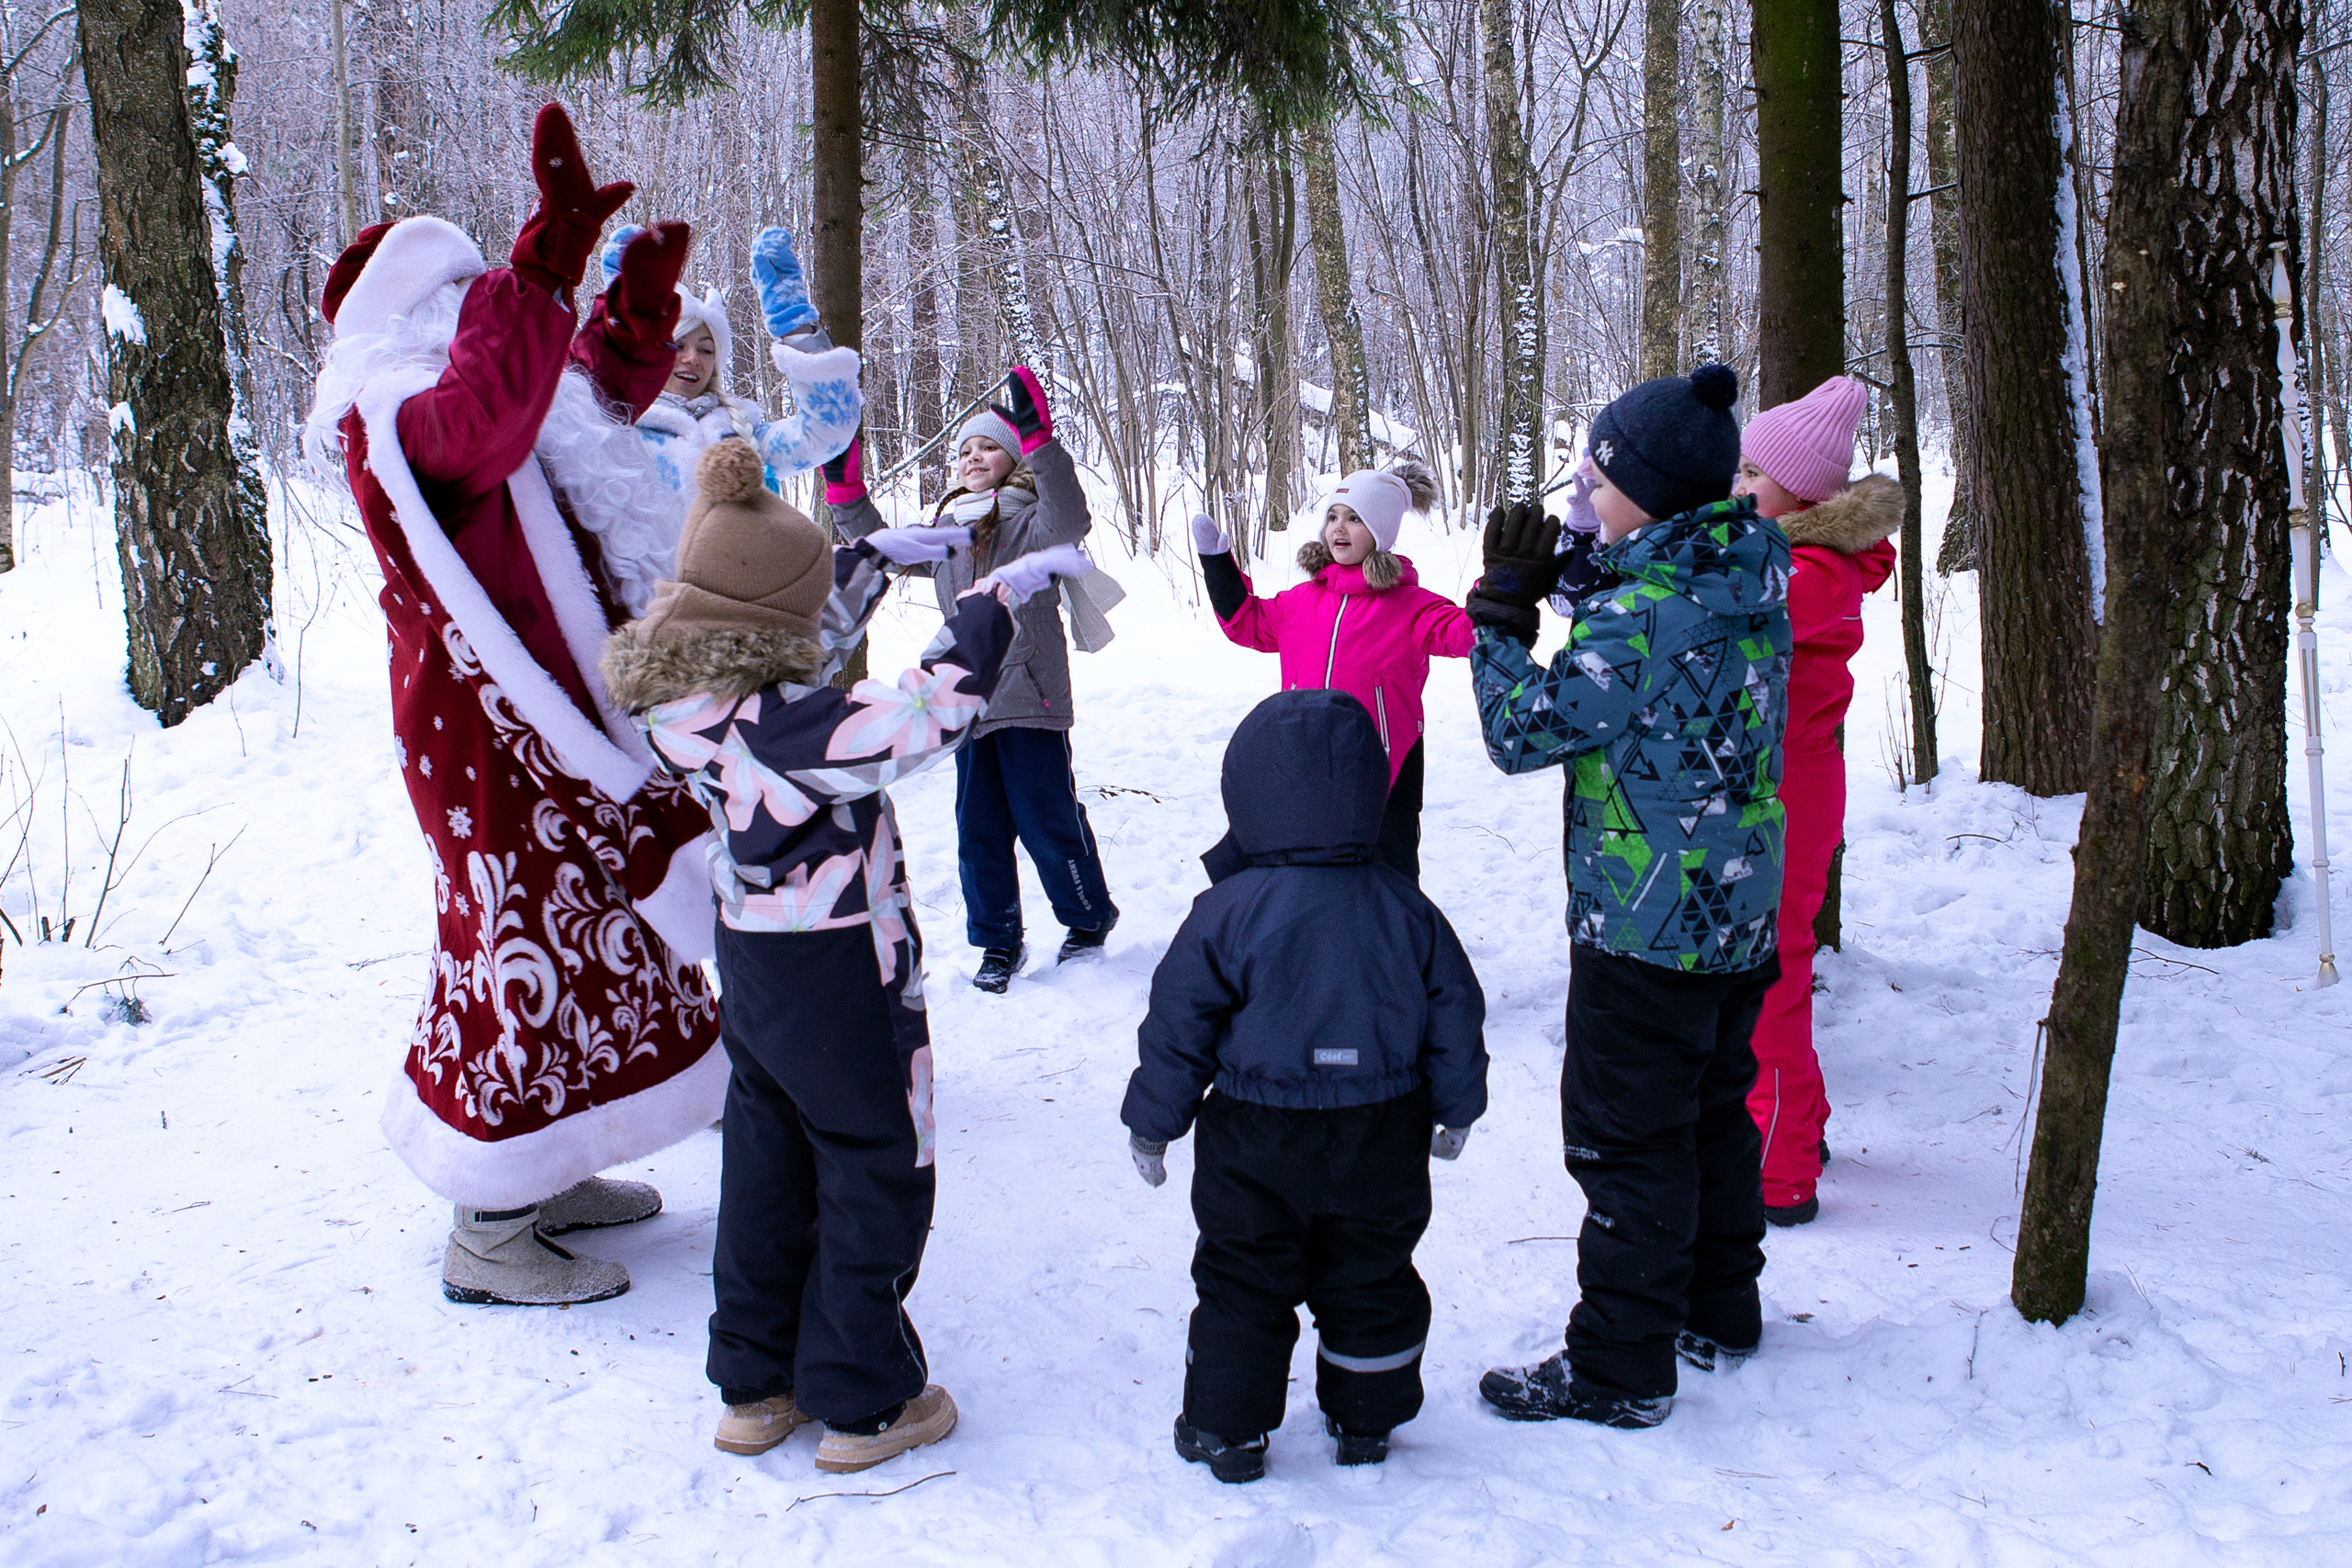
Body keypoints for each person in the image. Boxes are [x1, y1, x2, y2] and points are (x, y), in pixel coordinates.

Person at [604, 437, 1096, 1472]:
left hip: (754, 967)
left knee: (768, 1161)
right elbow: (929, 710)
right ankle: (864, 1396)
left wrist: (866, 567)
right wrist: (992, 602)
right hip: (841, 971)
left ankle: (755, 1384)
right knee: (874, 1164)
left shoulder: (680, 703)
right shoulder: (797, 732)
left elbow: (776, 649)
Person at [304, 105, 727, 1307]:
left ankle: (548, 1162)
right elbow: (493, 410)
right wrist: (541, 265)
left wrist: (630, 314)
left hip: (562, 731)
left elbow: (574, 399)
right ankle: (490, 1225)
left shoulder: (480, 402)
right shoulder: (401, 421)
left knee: (603, 936)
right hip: (491, 741)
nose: (472, 311)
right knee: (519, 952)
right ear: (405, 323)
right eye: (456, 296)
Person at [1461, 364, 1792, 1428]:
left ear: (1645, 492)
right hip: (1735, 911)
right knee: (1708, 1116)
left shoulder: (1644, 611)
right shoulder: (1740, 564)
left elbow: (1524, 732)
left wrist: (1501, 619)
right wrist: (1580, 578)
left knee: (1626, 1139)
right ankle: (1718, 1307)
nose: (1583, 497)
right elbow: (1658, 635)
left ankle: (1619, 1364)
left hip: (1644, 920)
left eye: (1597, 481)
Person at [1121, 689, 1488, 1483]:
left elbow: (1179, 1021)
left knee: (1243, 1278)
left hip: (1257, 1134)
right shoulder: (1405, 906)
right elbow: (1455, 1008)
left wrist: (1156, 1121)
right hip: (1382, 1131)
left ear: (1248, 791)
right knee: (1371, 1271)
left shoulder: (1226, 912)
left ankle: (1228, 1427)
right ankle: (1367, 1417)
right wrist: (1457, 1106)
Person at [826, 370, 1119, 993]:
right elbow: (882, 546)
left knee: (1047, 819)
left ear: (1011, 459)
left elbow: (1070, 516)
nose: (973, 457)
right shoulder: (950, 533)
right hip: (965, 703)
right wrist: (844, 489)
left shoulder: (1032, 520)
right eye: (963, 450)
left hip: (1031, 698)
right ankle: (997, 940)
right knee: (977, 829)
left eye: (987, 446)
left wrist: (1040, 440)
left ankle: (1088, 917)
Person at [1732, 377, 1899, 1226]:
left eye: (1755, 472)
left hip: (1789, 793)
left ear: (1806, 492)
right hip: (1781, 786)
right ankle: (1801, 1123)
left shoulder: (1814, 571)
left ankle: (1781, 1167)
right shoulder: (1792, 554)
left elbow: (1733, 605)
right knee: (1775, 963)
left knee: (1774, 974)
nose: (1738, 484)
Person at [1188, 460, 1471, 881]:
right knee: (1297, 872)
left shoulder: (1411, 607)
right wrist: (1218, 566)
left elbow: (1467, 633)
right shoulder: (1300, 601)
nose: (1339, 527)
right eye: (1334, 516)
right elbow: (1247, 622)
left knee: (1384, 879)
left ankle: (1387, 944)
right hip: (1301, 759)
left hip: (1384, 767)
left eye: (1356, 519)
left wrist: (1503, 588)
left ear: (1381, 533)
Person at [600, 225, 864, 523]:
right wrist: (620, 316)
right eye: (677, 344)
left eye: (706, 350)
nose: (692, 359)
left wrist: (796, 327)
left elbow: (827, 431)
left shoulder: (739, 436)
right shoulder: (615, 428)